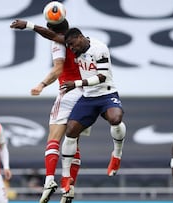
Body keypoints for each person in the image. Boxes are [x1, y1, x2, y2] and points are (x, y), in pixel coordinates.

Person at [10, 19, 88, 203]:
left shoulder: (58, 44)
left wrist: (41, 84)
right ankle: (69, 186)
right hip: (87, 95)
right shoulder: (84, 41)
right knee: (73, 142)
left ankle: (50, 180)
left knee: (54, 139)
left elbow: (58, 69)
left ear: (51, 28)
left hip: (69, 92)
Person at [59, 28, 126, 193]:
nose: (72, 49)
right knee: (70, 131)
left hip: (106, 93)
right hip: (88, 97)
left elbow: (102, 76)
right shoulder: (76, 48)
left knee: (116, 119)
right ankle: (65, 176)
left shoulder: (99, 48)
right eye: (69, 46)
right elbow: (54, 36)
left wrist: (75, 84)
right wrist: (31, 26)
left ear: (80, 38)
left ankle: (116, 154)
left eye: (73, 45)